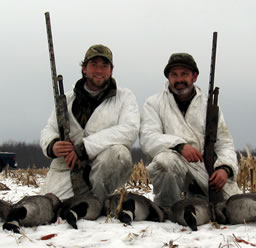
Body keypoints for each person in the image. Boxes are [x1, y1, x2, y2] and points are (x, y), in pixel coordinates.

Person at [40, 44, 140, 202]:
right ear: (84, 69)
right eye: (94, 65)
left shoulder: (125, 97)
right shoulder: (66, 100)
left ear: (111, 70)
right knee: (49, 207)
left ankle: (99, 201)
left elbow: (129, 130)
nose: (99, 71)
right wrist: (52, 145)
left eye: (104, 65)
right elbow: (49, 129)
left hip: (102, 166)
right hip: (67, 168)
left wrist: (85, 148)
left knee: (119, 153)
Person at [139, 53, 240, 208]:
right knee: (165, 162)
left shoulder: (209, 106)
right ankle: (167, 208)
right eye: (174, 75)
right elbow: (148, 138)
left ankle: (199, 197)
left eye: (184, 74)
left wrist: (224, 169)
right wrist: (179, 146)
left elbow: (224, 143)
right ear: (168, 77)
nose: (179, 80)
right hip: (174, 164)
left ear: (195, 76)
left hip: (204, 169)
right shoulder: (154, 103)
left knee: (236, 205)